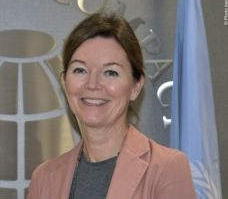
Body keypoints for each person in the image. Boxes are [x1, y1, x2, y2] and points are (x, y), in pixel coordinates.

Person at [27, 12, 196, 199]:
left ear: (135, 86)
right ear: (64, 82)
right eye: (80, 70)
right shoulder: (43, 178)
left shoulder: (166, 168)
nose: (92, 84)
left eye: (110, 72)